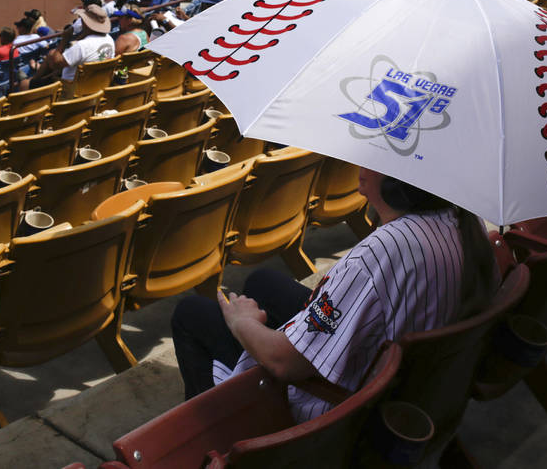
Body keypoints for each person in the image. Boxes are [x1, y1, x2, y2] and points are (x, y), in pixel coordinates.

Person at [171, 169, 497, 419]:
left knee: (191, 314)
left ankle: (207, 435)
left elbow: (284, 363)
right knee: (262, 282)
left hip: (336, 408)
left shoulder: (383, 251)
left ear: (397, 183)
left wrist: (242, 322)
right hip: (409, 380)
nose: (359, 162)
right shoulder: (462, 218)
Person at [32, 6, 115, 88]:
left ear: (85, 23)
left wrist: (64, 40)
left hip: (71, 87)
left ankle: (32, 84)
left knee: (31, 81)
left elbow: (56, 64)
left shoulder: (82, 46)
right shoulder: (109, 40)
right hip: (97, 85)